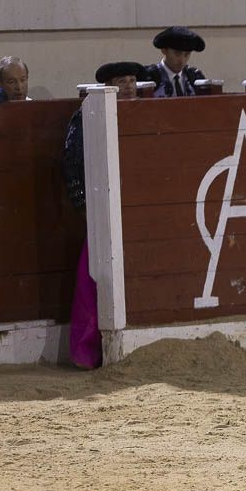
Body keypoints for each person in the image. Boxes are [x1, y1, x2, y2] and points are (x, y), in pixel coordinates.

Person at [61, 61, 148, 370]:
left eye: (132, 80)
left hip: (140, 211)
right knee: (92, 278)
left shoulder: (146, 113)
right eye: (121, 81)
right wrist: (86, 208)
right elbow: (73, 166)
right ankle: (87, 351)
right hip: (103, 212)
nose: (128, 85)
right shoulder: (86, 116)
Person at [143, 26, 207, 98]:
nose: (182, 60)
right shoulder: (149, 77)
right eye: (177, 53)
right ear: (164, 50)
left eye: (187, 54)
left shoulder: (194, 77)